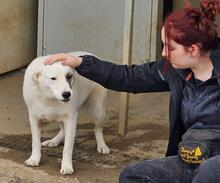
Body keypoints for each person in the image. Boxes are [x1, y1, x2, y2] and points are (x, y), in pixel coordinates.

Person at [44, 0, 220, 182]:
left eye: (170, 48)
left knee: (209, 172)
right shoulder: (175, 71)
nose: (164, 53)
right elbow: (130, 77)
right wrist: (80, 63)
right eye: (163, 46)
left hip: (214, 167)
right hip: (191, 157)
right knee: (132, 176)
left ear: (193, 49)